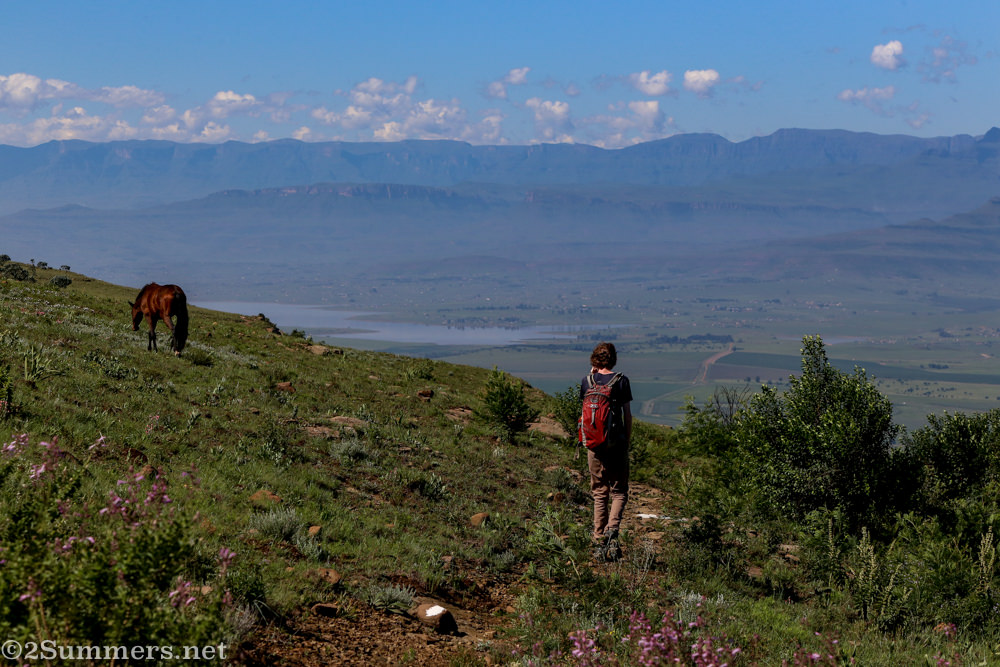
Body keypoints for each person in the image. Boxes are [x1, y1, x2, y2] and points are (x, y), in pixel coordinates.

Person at [580, 341, 633, 559]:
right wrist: (626, 441)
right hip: (616, 443)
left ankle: (598, 538)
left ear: (594, 358)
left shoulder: (587, 381)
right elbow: (627, 415)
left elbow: (583, 416)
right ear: (614, 359)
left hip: (593, 444)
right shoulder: (621, 381)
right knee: (619, 491)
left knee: (599, 492)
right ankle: (612, 531)